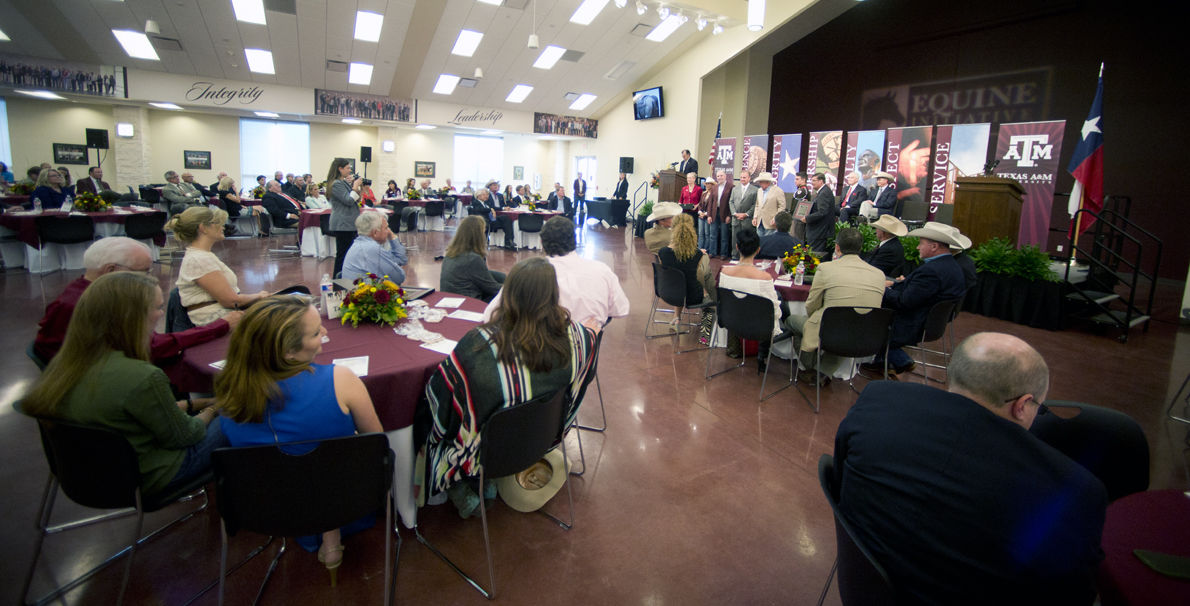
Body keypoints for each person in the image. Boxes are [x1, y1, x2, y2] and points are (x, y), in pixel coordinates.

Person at [835, 332, 1107, 605]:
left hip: (861, 587)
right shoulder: (1071, 492)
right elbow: (1074, 594)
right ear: (1023, 405)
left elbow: (839, 480)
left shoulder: (878, 399)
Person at [215, 296, 382, 584]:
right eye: (317, 332)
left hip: (262, 504)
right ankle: (332, 537)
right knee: (333, 454)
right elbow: (377, 442)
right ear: (289, 352)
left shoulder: (229, 391)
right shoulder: (339, 380)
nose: (326, 334)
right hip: (344, 500)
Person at [21, 271, 226, 501]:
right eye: (158, 308)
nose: (161, 315)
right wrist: (213, 410)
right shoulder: (142, 376)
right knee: (242, 412)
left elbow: (134, 413)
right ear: (132, 317)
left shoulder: (65, 363)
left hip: (86, 474)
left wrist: (198, 403)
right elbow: (187, 435)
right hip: (150, 476)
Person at [420, 257, 599, 517]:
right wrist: (591, 332)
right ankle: (485, 482)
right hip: (541, 438)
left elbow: (443, 402)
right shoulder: (578, 339)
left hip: (484, 454)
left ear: (509, 293)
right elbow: (588, 351)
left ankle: (458, 483)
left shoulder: (478, 345)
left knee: (425, 414)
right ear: (553, 294)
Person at [33, 237, 240, 364]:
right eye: (143, 272)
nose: (150, 279)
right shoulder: (93, 305)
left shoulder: (82, 289)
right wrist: (220, 326)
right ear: (111, 270)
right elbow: (151, 347)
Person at [483, 216, 630, 327]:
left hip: (538, 357)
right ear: (574, 241)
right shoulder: (602, 271)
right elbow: (621, 310)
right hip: (585, 357)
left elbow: (490, 315)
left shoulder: (525, 274)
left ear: (542, 243)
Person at [863, 223, 968, 378]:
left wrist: (881, 289)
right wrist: (899, 283)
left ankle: (896, 358)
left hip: (912, 323)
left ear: (934, 246)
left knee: (865, 314)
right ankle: (887, 360)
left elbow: (903, 302)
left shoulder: (931, 271)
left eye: (921, 243)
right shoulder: (951, 266)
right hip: (931, 323)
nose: (918, 247)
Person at [783, 228, 885, 385]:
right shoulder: (879, 274)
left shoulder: (826, 268)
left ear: (837, 247)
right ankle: (824, 371)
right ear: (860, 247)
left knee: (792, 321)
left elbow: (811, 304)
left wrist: (812, 319)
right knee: (844, 324)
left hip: (832, 330)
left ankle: (811, 369)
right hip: (866, 335)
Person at [169, 207, 269, 327]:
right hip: (214, 318)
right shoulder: (199, 259)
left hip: (219, 313)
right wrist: (259, 296)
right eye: (218, 223)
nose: (223, 227)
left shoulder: (202, 256)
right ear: (203, 228)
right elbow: (231, 301)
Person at [719, 227, 782, 370]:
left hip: (731, 320)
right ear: (758, 250)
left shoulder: (724, 272)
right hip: (758, 327)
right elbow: (775, 313)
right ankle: (763, 354)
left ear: (737, 247)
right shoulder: (765, 278)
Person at [440, 215, 505, 302]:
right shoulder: (473, 259)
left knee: (501, 277)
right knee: (508, 296)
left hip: (449, 298)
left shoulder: (451, 253)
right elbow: (492, 288)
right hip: (467, 301)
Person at [657, 214, 712, 313]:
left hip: (665, 292)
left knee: (680, 280)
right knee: (706, 279)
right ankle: (708, 309)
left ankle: (676, 318)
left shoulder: (662, 252)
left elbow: (668, 269)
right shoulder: (697, 254)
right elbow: (696, 274)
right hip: (690, 297)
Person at [341, 212, 407, 283]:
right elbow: (399, 277)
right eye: (386, 228)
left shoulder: (360, 244)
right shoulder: (371, 248)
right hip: (363, 292)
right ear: (375, 233)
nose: (388, 231)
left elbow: (400, 259)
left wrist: (392, 237)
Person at [327, 158, 363, 279]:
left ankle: (346, 277)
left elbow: (356, 199)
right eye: (347, 168)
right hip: (343, 222)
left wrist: (357, 187)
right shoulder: (336, 183)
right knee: (342, 253)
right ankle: (338, 280)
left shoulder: (343, 182)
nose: (350, 170)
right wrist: (354, 187)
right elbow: (348, 200)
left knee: (348, 253)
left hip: (349, 222)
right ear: (340, 169)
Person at [702, 169, 733, 258]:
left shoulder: (731, 187)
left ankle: (723, 254)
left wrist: (729, 215)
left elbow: (731, 202)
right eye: (718, 176)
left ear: (725, 176)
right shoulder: (714, 187)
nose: (719, 177)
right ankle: (712, 252)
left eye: (721, 176)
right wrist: (709, 215)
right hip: (714, 213)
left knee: (724, 235)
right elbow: (710, 202)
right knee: (712, 235)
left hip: (725, 213)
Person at [729, 171, 758, 261]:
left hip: (747, 220)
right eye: (741, 177)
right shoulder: (735, 189)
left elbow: (755, 204)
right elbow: (731, 202)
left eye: (744, 177)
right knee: (735, 239)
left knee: (747, 240)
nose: (742, 179)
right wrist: (735, 213)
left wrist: (746, 214)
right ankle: (734, 257)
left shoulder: (755, 190)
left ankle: (747, 258)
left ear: (749, 178)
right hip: (736, 219)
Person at [806, 173, 838, 253]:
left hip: (819, 231)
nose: (812, 183)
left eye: (814, 180)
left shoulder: (824, 193)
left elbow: (822, 212)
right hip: (819, 230)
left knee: (815, 255)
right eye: (811, 180)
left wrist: (807, 218)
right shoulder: (823, 191)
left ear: (821, 181)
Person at [751, 172, 786, 237]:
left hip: (771, 224)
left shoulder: (778, 191)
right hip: (759, 223)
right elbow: (757, 205)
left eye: (761, 182)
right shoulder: (759, 191)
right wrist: (755, 217)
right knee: (760, 243)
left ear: (768, 182)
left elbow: (782, 207)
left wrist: (776, 218)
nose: (760, 184)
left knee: (769, 244)